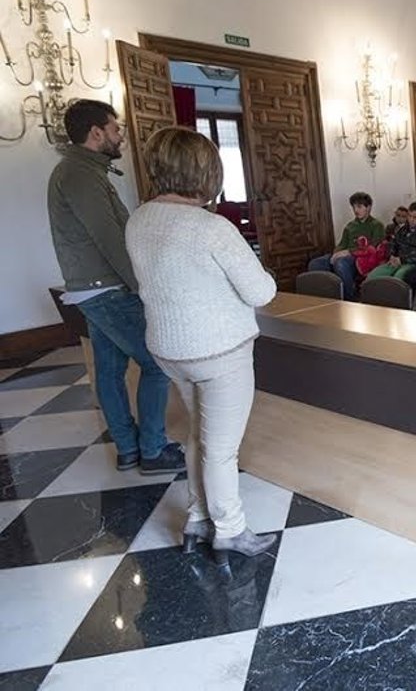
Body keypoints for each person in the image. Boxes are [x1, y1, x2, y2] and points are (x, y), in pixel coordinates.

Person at [125, 127, 278, 561]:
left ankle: (197, 517)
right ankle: (229, 529)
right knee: (222, 449)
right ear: (207, 172)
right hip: (219, 352)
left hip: (169, 349)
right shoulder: (212, 228)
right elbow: (261, 292)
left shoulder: (139, 219)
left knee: (199, 434)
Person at [45, 100, 185, 475]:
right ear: (96, 132)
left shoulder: (82, 170)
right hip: (107, 289)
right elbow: (110, 238)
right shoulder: (79, 174)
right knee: (156, 363)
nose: (121, 135)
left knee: (109, 370)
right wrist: (145, 288)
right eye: (115, 128)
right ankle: (152, 449)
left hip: (94, 288)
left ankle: (127, 449)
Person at [308, 191, 385, 299]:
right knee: (315, 263)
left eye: (359, 207)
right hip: (344, 255)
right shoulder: (350, 226)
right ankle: (328, 296)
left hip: (362, 258)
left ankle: (350, 298)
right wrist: (336, 253)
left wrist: (349, 252)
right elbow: (342, 244)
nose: (356, 210)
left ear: (368, 207)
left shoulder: (377, 225)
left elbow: (373, 247)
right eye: (354, 207)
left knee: (341, 263)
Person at [367, 201, 416, 281]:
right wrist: (392, 255)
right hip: (395, 260)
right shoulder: (402, 229)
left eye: (415, 217)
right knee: (373, 275)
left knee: (398, 277)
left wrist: (401, 260)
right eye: (409, 216)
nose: (411, 220)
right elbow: (393, 243)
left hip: (412, 263)